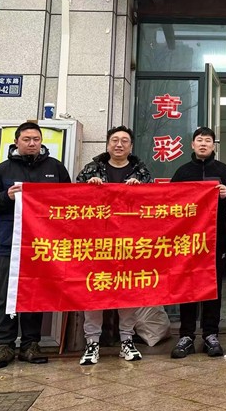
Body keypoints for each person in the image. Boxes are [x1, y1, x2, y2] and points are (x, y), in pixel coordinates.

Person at [0, 121, 71, 370]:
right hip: (10, 243)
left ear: (41, 142)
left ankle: (31, 344)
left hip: (42, 244)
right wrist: (6, 196)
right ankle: (4, 345)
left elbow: (69, 200)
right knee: (7, 296)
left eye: (36, 139)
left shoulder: (54, 168)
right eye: (27, 139)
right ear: (17, 142)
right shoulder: (3, 169)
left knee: (35, 294)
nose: (32, 143)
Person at [76, 125, 152, 366]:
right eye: (115, 140)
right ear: (108, 144)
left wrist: (142, 191)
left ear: (131, 146)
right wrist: (88, 189)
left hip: (130, 243)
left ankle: (127, 340)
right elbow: (71, 202)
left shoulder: (142, 173)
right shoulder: (91, 170)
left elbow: (156, 205)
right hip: (96, 243)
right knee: (94, 290)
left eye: (124, 141)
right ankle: (92, 342)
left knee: (127, 291)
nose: (119, 144)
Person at [170, 126, 226, 359]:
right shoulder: (182, 172)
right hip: (187, 241)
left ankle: (211, 334)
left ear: (213, 145)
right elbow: (169, 202)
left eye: (207, 140)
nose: (203, 144)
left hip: (216, 240)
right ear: (192, 144)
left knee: (213, 287)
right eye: (199, 140)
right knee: (187, 287)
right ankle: (186, 335)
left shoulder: (223, 171)